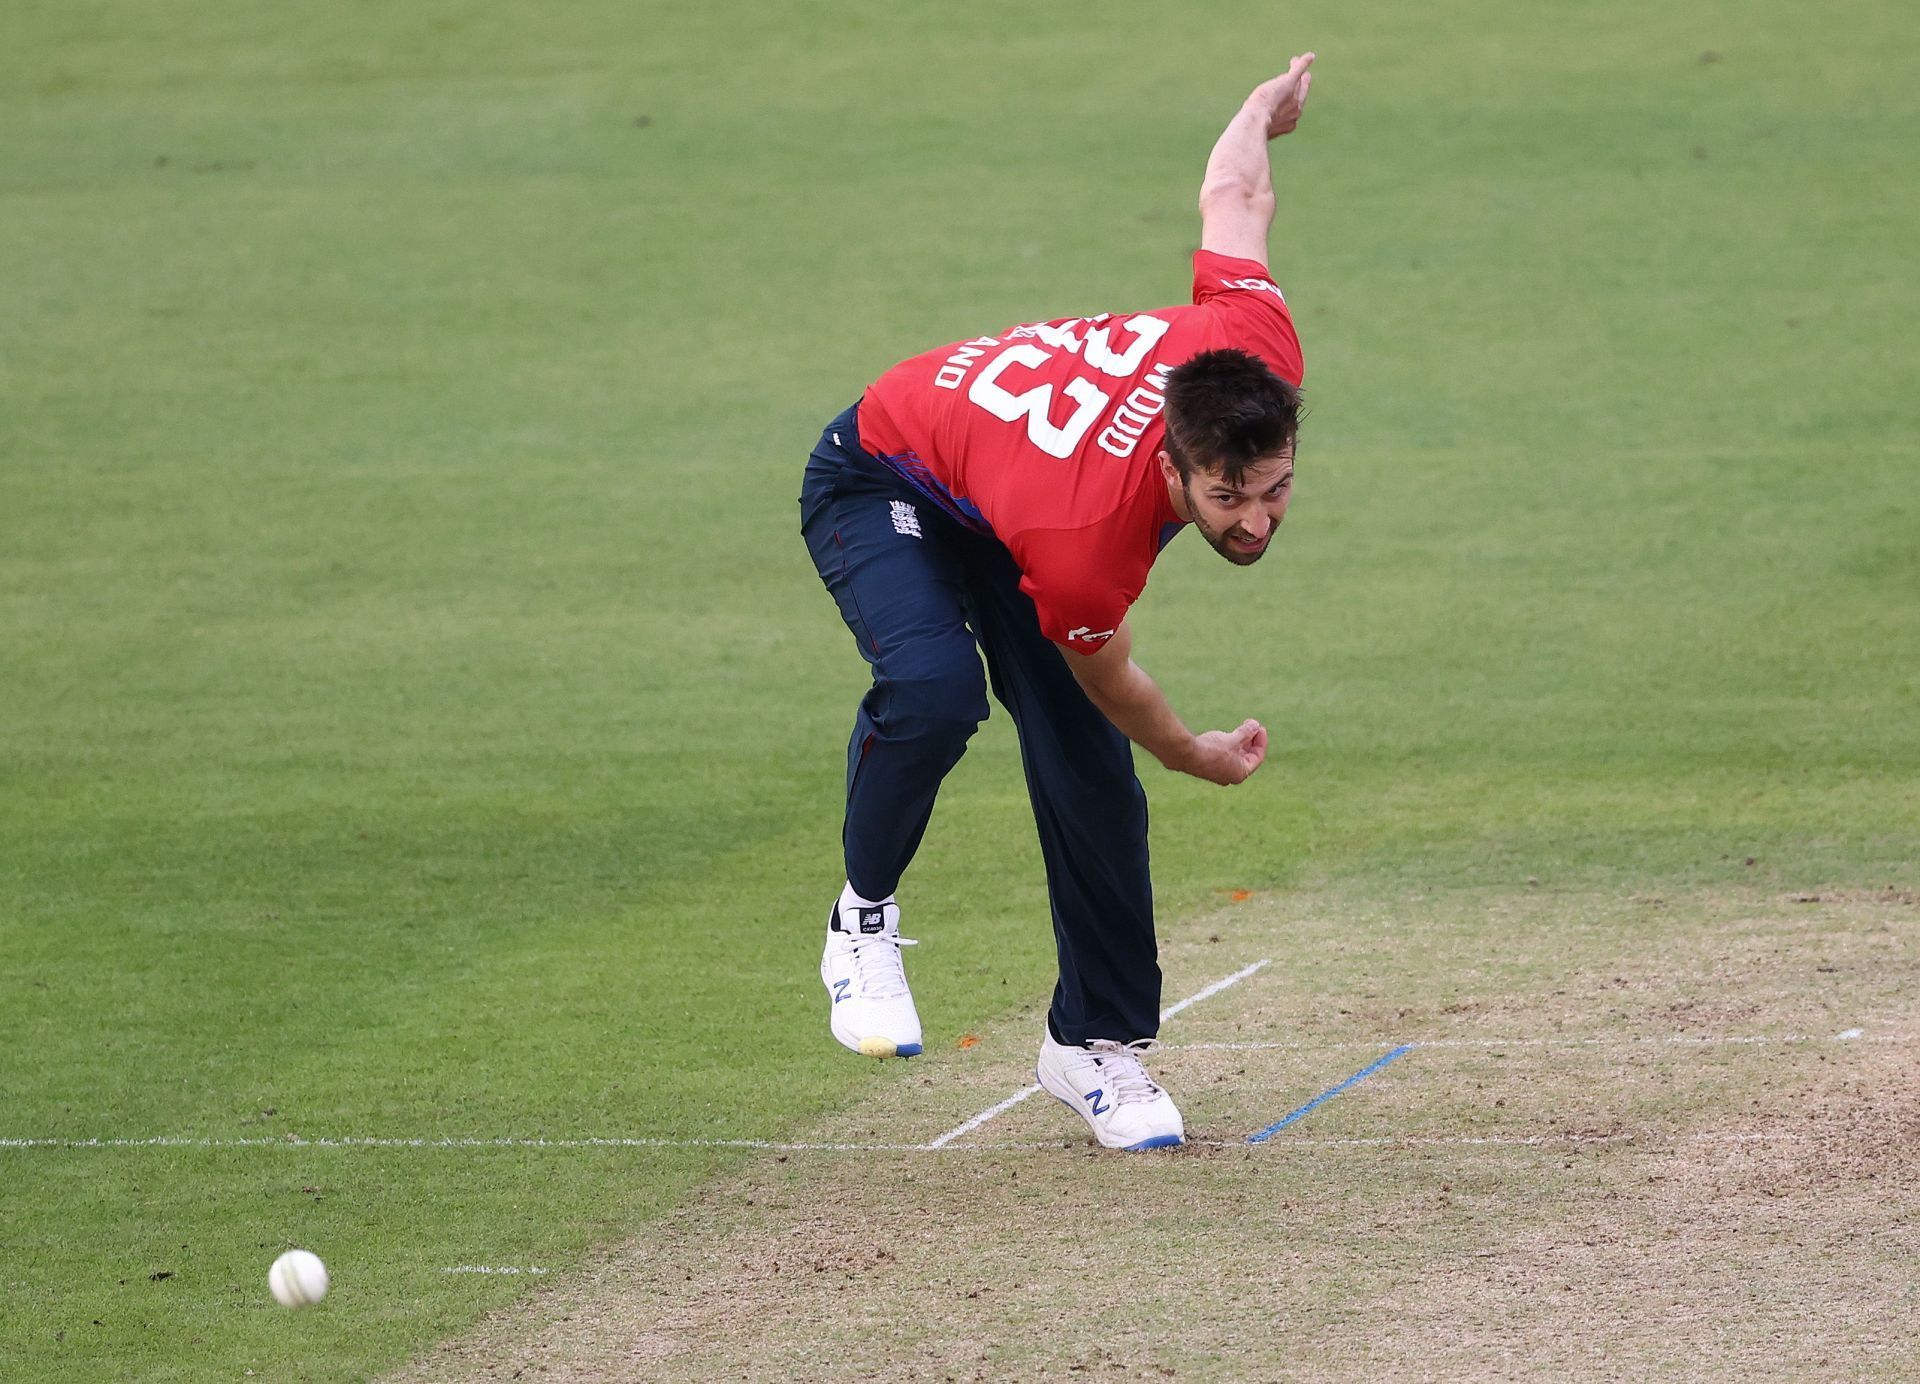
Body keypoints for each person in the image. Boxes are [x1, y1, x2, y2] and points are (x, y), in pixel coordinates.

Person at [798, 54, 1316, 1150]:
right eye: (1227, 498)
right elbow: (1115, 678)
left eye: (1274, 489)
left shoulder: (1255, 346)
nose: (1256, 520)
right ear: (1173, 468)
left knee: (1087, 776)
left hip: (1006, 496)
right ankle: (863, 921)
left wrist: (1257, 109)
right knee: (937, 690)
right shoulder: (1089, 544)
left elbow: (1236, 196)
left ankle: (1093, 1045)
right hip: (886, 476)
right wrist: (1197, 754)